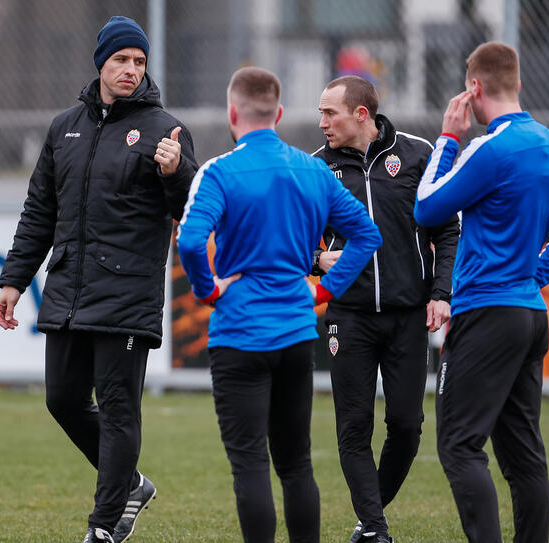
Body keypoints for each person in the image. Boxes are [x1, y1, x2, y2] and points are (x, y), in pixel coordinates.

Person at [0, 15, 197, 543]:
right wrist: (14, 278)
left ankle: (103, 526)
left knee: (119, 408)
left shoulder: (165, 129)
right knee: (61, 399)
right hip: (68, 290)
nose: (131, 70)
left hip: (128, 293)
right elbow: (40, 209)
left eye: (139, 62)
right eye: (122, 60)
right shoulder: (65, 127)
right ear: (101, 64)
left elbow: (188, 210)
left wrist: (177, 173)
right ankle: (130, 484)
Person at [177, 66, 382, 543]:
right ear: (280, 113)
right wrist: (324, 291)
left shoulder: (220, 170)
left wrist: (209, 290)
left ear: (233, 113)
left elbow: (190, 241)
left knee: (250, 462)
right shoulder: (312, 169)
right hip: (294, 330)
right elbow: (367, 235)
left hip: (240, 331)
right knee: (296, 464)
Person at [413, 42, 549, 543]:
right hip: (528, 314)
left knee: (459, 445)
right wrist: (539, 273)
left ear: (473, 88)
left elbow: (426, 208)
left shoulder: (489, 148)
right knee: (522, 453)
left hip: (486, 313)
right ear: (517, 83)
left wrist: (448, 138)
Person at [310, 75, 459, 543]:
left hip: (408, 315)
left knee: (407, 428)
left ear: (361, 114)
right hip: (347, 317)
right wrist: (314, 260)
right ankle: (375, 529)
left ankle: (368, 517)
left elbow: (447, 232)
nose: (322, 123)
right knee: (354, 427)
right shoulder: (316, 168)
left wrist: (441, 292)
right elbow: (283, 240)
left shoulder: (416, 153)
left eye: (329, 113)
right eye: (320, 113)